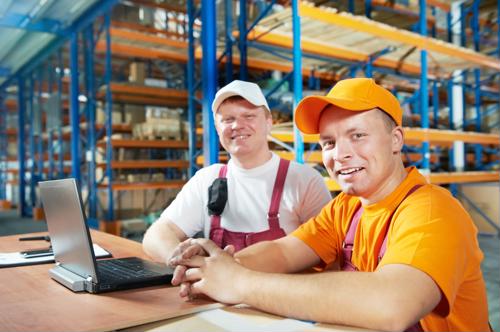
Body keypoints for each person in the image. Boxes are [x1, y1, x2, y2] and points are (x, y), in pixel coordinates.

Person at [168, 78, 490, 332]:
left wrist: (239, 283)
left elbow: (391, 306)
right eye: (329, 142)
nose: (340, 154)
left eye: (358, 135)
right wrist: (217, 266)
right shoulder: (346, 208)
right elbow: (284, 251)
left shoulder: (432, 211)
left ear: (395, 140)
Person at [142, 80, 331, 264]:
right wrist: (180, 260)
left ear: (268, 122)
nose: (237, 125)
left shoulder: (304, 180)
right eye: (228, 119)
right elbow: (158, 233)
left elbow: (327, 251)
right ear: (217, 128)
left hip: (282, 294)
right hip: (218, 293)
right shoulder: (207, 179)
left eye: (248, 116)